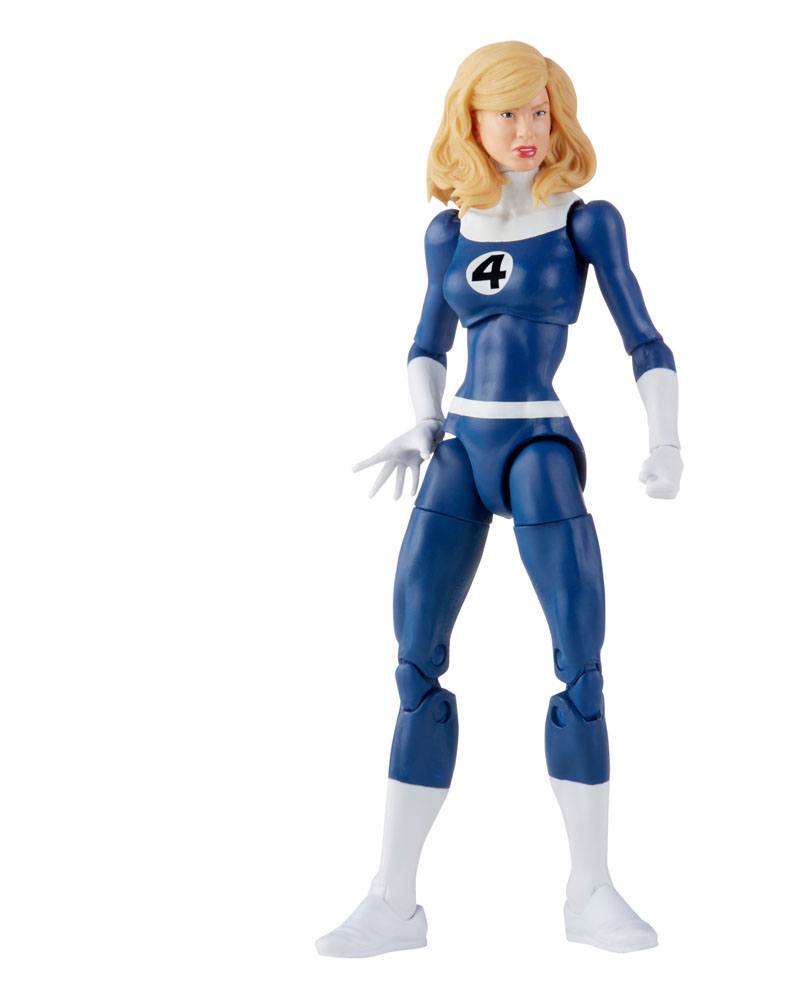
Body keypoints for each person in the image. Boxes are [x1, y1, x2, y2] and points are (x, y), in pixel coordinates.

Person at [316, 40, 682, 957]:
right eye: (506, 112)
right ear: (469, 122)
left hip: (538, 445)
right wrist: (420, 419)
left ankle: (590, 889)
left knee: (581, 666)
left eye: (539, 111)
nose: (526, 129)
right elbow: (426, 341)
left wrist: (665, 441)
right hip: (460, 445)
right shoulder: (449, 233)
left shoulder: (586, 224)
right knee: (414, 666)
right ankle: (393, 900)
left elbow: (644, 338)